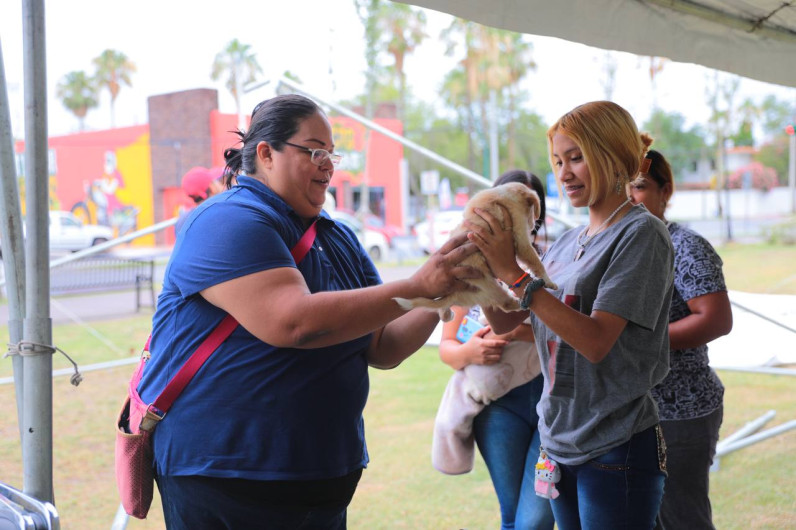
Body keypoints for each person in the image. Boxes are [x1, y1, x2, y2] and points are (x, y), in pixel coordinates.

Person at [137, 93, 481, 529]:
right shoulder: (226, 221)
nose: (329, 164)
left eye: (331, 153)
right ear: (265, 154)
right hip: (227, 479)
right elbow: (292, 321)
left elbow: (384, 345)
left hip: (319, 480)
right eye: (315, 150)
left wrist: (448, 290)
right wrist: (418, 285)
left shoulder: (336, 237)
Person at [471, 101, 675, 529]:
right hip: (559, 438)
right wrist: (482, 267)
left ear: (613, 155)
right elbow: (509, 322)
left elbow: (597, 341)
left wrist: (513, 272)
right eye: (558, 160)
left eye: (577, 158)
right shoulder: (567, 242)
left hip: (614, 441)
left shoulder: (641, 233)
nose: (563, 174)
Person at [436, 170, 555, 530]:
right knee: (512, 514)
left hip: (553, 404)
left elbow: (574, 333)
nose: (518, 213)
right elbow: (447, 347)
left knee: (536, 517)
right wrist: (470, 352)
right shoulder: (471, 263)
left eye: (528, 205)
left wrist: (522, 333)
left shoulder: (553, 263)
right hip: (498, 406)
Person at [628, 149, 733, 530]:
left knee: (682, 519)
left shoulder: (685, 245)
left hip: (681, 410)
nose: (629, 196)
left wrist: (635, 341)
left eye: (639, 187)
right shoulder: (623, 247)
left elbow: (717, 319)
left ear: (665, 191)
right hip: (630, 413)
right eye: (621, 187)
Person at [174, 166, 226, 233]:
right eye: (217, 182)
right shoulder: (220, 215)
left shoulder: (182, 221)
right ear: (212, 187)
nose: (221, 185)